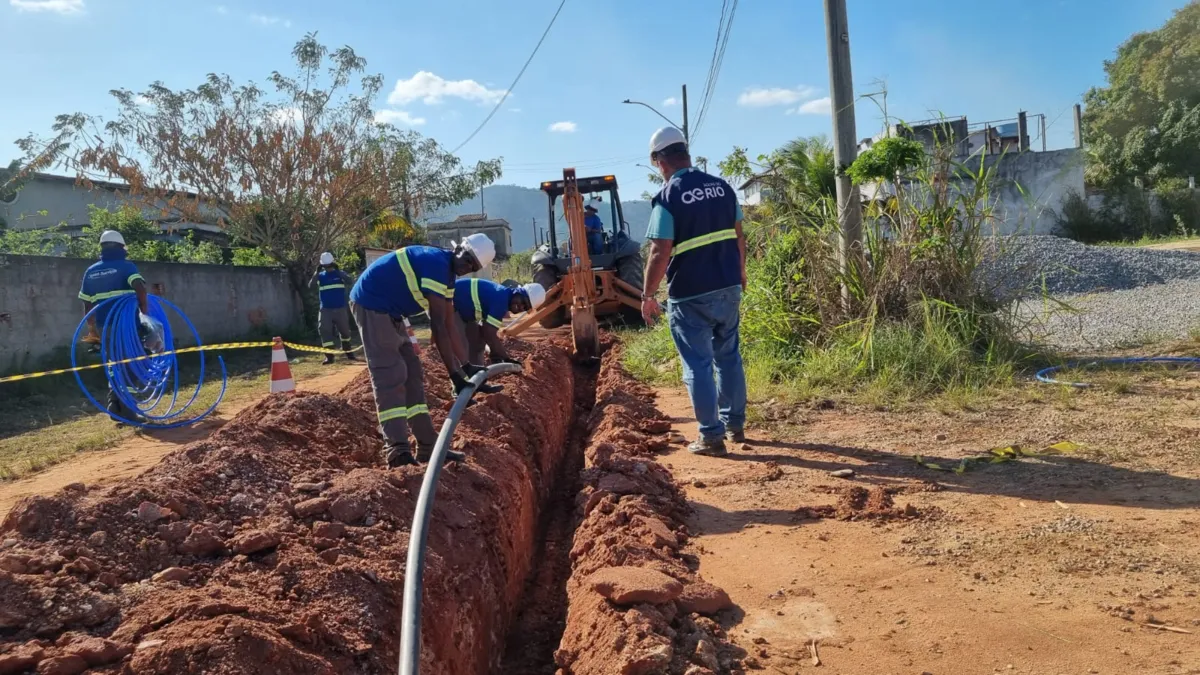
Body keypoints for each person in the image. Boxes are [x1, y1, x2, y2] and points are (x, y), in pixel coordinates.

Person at [349, 234, 503, 468]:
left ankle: (428, 447)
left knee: (413, 375)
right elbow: (438, 325)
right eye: (467, 259)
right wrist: (454, 375)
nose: (467, 268)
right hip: (372, 306)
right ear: (458, 249)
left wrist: (466, 367)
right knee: (390, 375)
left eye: (473, 267)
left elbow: (451, 325)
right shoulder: (436, 264)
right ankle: (397, 450)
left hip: (393, 313)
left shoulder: (448, 276)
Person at [640, 126, 747, 457]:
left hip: (690, 294)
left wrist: (647, 296)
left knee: (698, 364)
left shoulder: (668, 198)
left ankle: (711, 437)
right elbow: (739, 235)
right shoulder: (722, 188)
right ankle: (735, 425)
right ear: (685, 153)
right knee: (728, 356)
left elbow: (660, 252)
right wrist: (740, 273)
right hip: (728, 285)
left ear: (659, 161)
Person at [78, 229, 151, 425]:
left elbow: (87, 304)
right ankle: (129, 412)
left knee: (115, 364)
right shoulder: (126, 267)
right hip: (126, 326)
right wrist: (144, 311)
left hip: (104, 326)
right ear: (121, 247)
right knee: (132, 365)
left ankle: (114, 404)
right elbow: (141, 289)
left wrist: (92, 328)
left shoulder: (91, 271)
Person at [452, 278, 546, 365]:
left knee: (477, 343)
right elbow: (489, 332)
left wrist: (495, 352)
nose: (521, 307)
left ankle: (477, 378)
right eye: (523, 301)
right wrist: (505, 358)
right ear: (517, 292)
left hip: (464, 313)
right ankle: (461, 380)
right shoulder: (501, 299)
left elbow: (486, 330)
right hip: (451, 306)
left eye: (525, 307)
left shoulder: (503, 297)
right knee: (462, 347)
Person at [309, 252, 358, 365]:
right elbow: (310, 286)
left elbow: (350, 281)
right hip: (325, 310)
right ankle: (329, 357)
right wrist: (316, 272)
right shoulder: (320, 276)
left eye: (329, 265)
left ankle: (348, 352)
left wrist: (338, 271)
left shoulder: (339, 274)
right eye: (326, 266)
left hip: (340, 309)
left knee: (345, 332)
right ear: (322, 266)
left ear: (333, 264)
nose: (328, 268)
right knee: (324, 331)